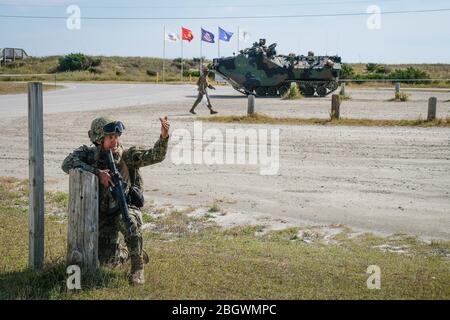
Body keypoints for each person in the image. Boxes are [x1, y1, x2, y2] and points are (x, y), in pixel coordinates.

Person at [61, 116, 170, 285]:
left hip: (124, 209)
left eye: (117, 137)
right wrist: (97, 172)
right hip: (103, 215)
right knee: (107, 261)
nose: (115, 141)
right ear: (98, 139)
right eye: (110, 137)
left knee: (130, 223)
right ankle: (129, 252)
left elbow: (155, 155)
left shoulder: (128, 155)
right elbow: (67, 164)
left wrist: (163, 137)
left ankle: (137, 268)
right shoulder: (90, 155)